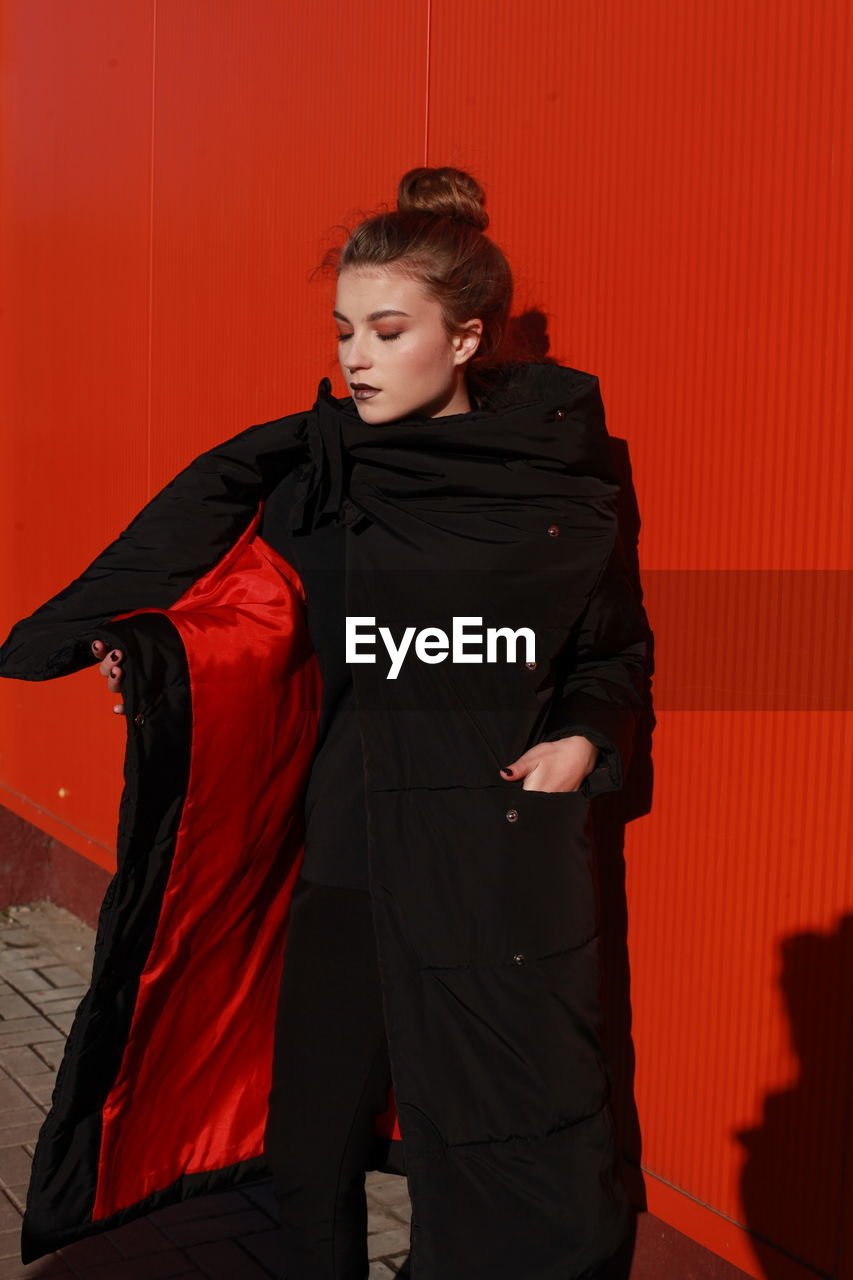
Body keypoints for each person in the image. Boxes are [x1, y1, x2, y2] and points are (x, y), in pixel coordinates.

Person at [7, 166, 649, 1278]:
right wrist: (152, 662)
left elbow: (608, 651)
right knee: (308, 1154)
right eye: (344, 327)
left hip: (493, 866)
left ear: (464, 339)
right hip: (347, 856)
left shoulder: (555, 485)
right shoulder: (314, 477)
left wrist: (582, 739)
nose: (355, 354)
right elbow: (236, 614)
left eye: (387, 328)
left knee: (493, 1150)